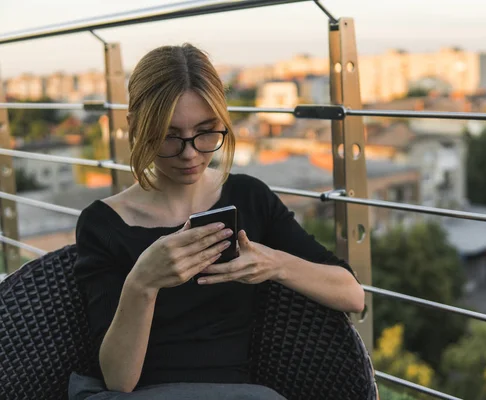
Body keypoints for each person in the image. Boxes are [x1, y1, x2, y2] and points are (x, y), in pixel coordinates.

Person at [69, 43, 365, 400]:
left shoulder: (248, 197)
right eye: (169, 135)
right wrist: (142, 283)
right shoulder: (104, 224)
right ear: (135, 127)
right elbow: (119, 380)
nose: (191, 153)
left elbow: (352, 294)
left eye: (206, 131)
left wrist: (275, 264)